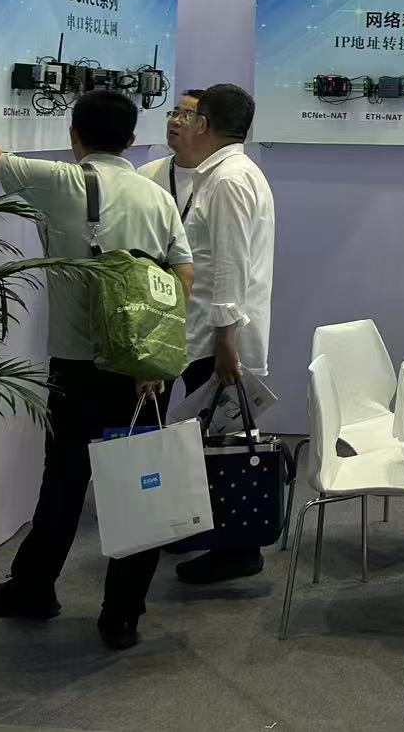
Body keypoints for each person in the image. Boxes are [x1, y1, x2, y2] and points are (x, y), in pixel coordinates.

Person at [0, 54, 193, 650]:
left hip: (77, 367)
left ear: (75, 136)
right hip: (145, 374)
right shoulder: (156, 197)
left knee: (63, 484)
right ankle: (122, 616)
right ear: (131, 139)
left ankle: (33, 591)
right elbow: (183, 274)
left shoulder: (62, 182)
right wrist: (149, 351)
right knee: (140, 485)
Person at [163, 82, 277, 584]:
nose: (182, 122)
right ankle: (214, 533)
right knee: (211, 436)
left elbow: (230, 266)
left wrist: (226, 341)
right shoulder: (227, 173)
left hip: (217, 336)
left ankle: (238, 548)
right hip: (209, 331)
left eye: (190, 116)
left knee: (225, 440)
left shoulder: (227, 180)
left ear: (204, 124)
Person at [139, 89, 205, 217]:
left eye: (188, 115)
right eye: (175, 113)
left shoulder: (218, 179)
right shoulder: (147, 174)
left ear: (204, 125)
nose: (175, 121)